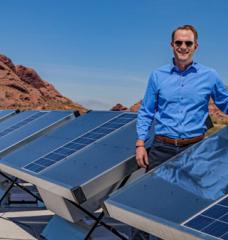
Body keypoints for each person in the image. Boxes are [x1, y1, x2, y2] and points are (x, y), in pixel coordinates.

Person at [134, 24, 228, 240]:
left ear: (196, 46)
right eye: (179, 43)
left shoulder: (210, 76)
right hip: (161, 148)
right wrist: (140, 143)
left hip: (196, 151)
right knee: (145, 203)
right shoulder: (157, 76)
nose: (183, 47)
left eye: (188, 43)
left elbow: (225, 104)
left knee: (195, 205)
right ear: (171, 45)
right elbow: (146, 112)